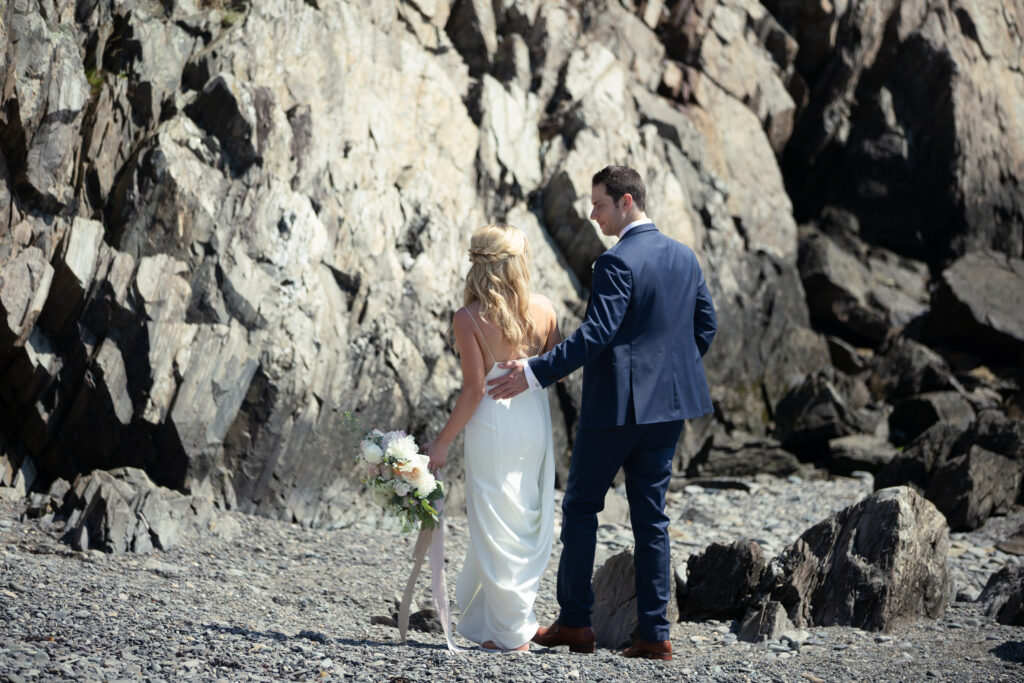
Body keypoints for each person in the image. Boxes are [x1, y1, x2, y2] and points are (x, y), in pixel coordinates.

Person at [487, 165, 717, 661]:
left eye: (600, 205)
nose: (592, 214)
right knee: (651, 520)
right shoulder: (684, 257)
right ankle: (655, 635)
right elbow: (705, 328)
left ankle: (575, 624)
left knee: (581, 508)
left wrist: (532, 372)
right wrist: (667, 374)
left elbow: (595, 336)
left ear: (627, 201)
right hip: (667, 410)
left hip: (615, 410)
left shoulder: (616, 263)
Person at [424, 224, 563, 653]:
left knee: (494, 522)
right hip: (534, 418)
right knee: (523, 515)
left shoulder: (468, 318)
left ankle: (510, 632)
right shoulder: (544, 309)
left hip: (493, 426)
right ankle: (495, 623)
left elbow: (474, 389)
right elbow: (553, 369)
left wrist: (443, 442)